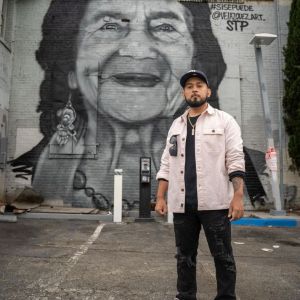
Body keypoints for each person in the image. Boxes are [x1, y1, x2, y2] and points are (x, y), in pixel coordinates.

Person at [10, 0, 226, 208]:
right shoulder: (20, 175)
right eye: (109, 26)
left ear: (194, 64)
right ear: (71, 66)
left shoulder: (239, 166)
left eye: (166, 27)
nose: (137, 49)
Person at [155, 70, 245, 300]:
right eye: (189, 86)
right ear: (184, 92)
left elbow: (235, 159)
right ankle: (185, 296)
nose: (194, 89)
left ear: (208, 91)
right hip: (183, 205)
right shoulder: (176, 125)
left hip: (215, 204)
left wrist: (238, 196)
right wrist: (161, 197)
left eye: (199, 85)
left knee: (223, 257)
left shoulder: (225, 121)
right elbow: (167, 163)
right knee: (184, 257)